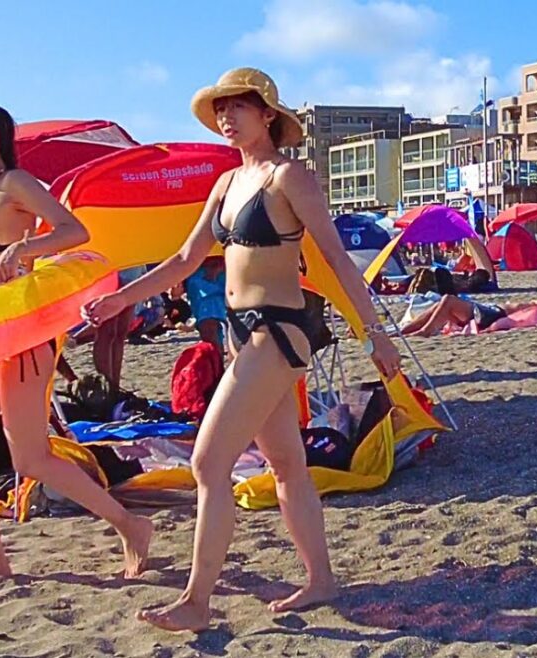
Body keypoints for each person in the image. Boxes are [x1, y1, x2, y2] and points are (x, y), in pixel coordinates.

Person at [82, 68, 402, 631]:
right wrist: (116, 300)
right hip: (239, 333)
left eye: (237, 108)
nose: (226, 118)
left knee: (208, 462)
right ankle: (321, 578)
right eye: (220, 110)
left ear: (267, 114)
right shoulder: (227, 185)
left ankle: (197, 601)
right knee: (286, 465)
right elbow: (184, 261)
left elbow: (332, 258)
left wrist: (376, 334)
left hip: (277, 332)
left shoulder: (289, 177)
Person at [0, 95, 151, 583]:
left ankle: (130, 524)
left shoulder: (14, 183)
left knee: (30, 454)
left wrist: (25, 247)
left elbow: (74, 231)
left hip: (21, 335)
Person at [92, 266, 143, 391]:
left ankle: (115, 386)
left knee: (121, 332)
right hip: (109, 265)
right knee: (107, 330)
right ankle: (107, 387)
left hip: (131, 265)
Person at [400, 295, 537, 337]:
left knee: (448, 300)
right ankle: (403, 332)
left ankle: (426, 331)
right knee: (438, 306)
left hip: (490, 315)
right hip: (488, 311)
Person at [183, 256, 227, 353]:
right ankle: (216, 364)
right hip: (195, 271)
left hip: (218, 268)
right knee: (208, 330)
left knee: (210, 327)